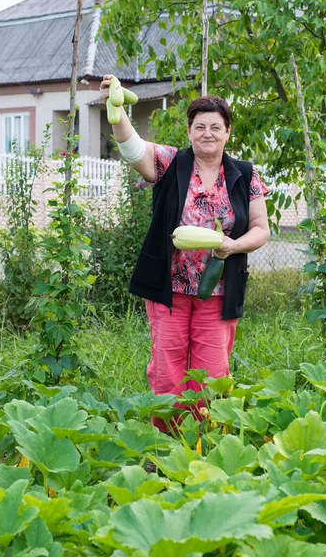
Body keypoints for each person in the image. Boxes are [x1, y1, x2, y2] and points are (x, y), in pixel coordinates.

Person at [100, 76, 270, 431]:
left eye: (215, 127)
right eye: (199, 126)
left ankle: (203, 439)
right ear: (190, 131)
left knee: (212, 371)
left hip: (218, 291)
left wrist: (232, 246)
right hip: (169, 288)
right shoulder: (171, 162)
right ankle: (166, 443)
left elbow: (261, 228)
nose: (207, 133)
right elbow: (134, 149)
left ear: (227, 132)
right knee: (167, 368)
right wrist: (116, 113)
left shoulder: (247, 174)